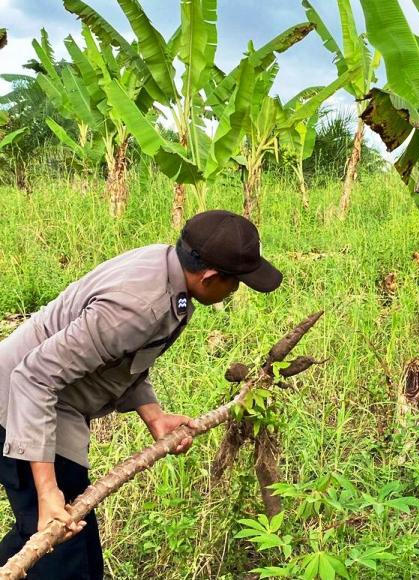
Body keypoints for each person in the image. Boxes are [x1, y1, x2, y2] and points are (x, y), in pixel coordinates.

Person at [0, 209, 282, 578]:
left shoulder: (168, 270)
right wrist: (48, 491)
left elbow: (124, 359)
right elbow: (33, 378)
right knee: (67, 554)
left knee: (52, 541)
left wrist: (155, 416)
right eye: (236, 282)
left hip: (47, 397)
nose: (235, 291)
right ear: (210, 276)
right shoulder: (139, 306)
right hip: (21, 409)